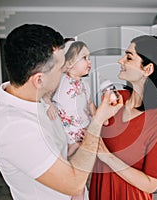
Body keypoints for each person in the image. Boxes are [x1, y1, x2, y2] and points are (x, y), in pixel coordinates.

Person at [0, 24, 123, 200]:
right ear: (39, 80)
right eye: (60, 69)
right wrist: (97, 122)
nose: (64, 74)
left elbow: (59, 151)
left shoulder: (40, 100)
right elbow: (73, 184)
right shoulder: (14, 129)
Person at [89, 35, 157, 200]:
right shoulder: (116, 99)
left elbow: (151, 183)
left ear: (147, 69)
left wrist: (107, 157)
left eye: (129, 57)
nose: (120, 61)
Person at [42, 39, 103, 200]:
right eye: (84, 58)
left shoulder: (85, 85)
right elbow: (44, 94)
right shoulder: (59, 81)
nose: (89, 62)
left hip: (84, 135)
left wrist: (100, 121)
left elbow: (90, 105)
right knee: (71, 176)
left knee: (79, 179)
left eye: (89, 58)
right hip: (68, 137)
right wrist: (49, 104)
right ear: (68, 63)